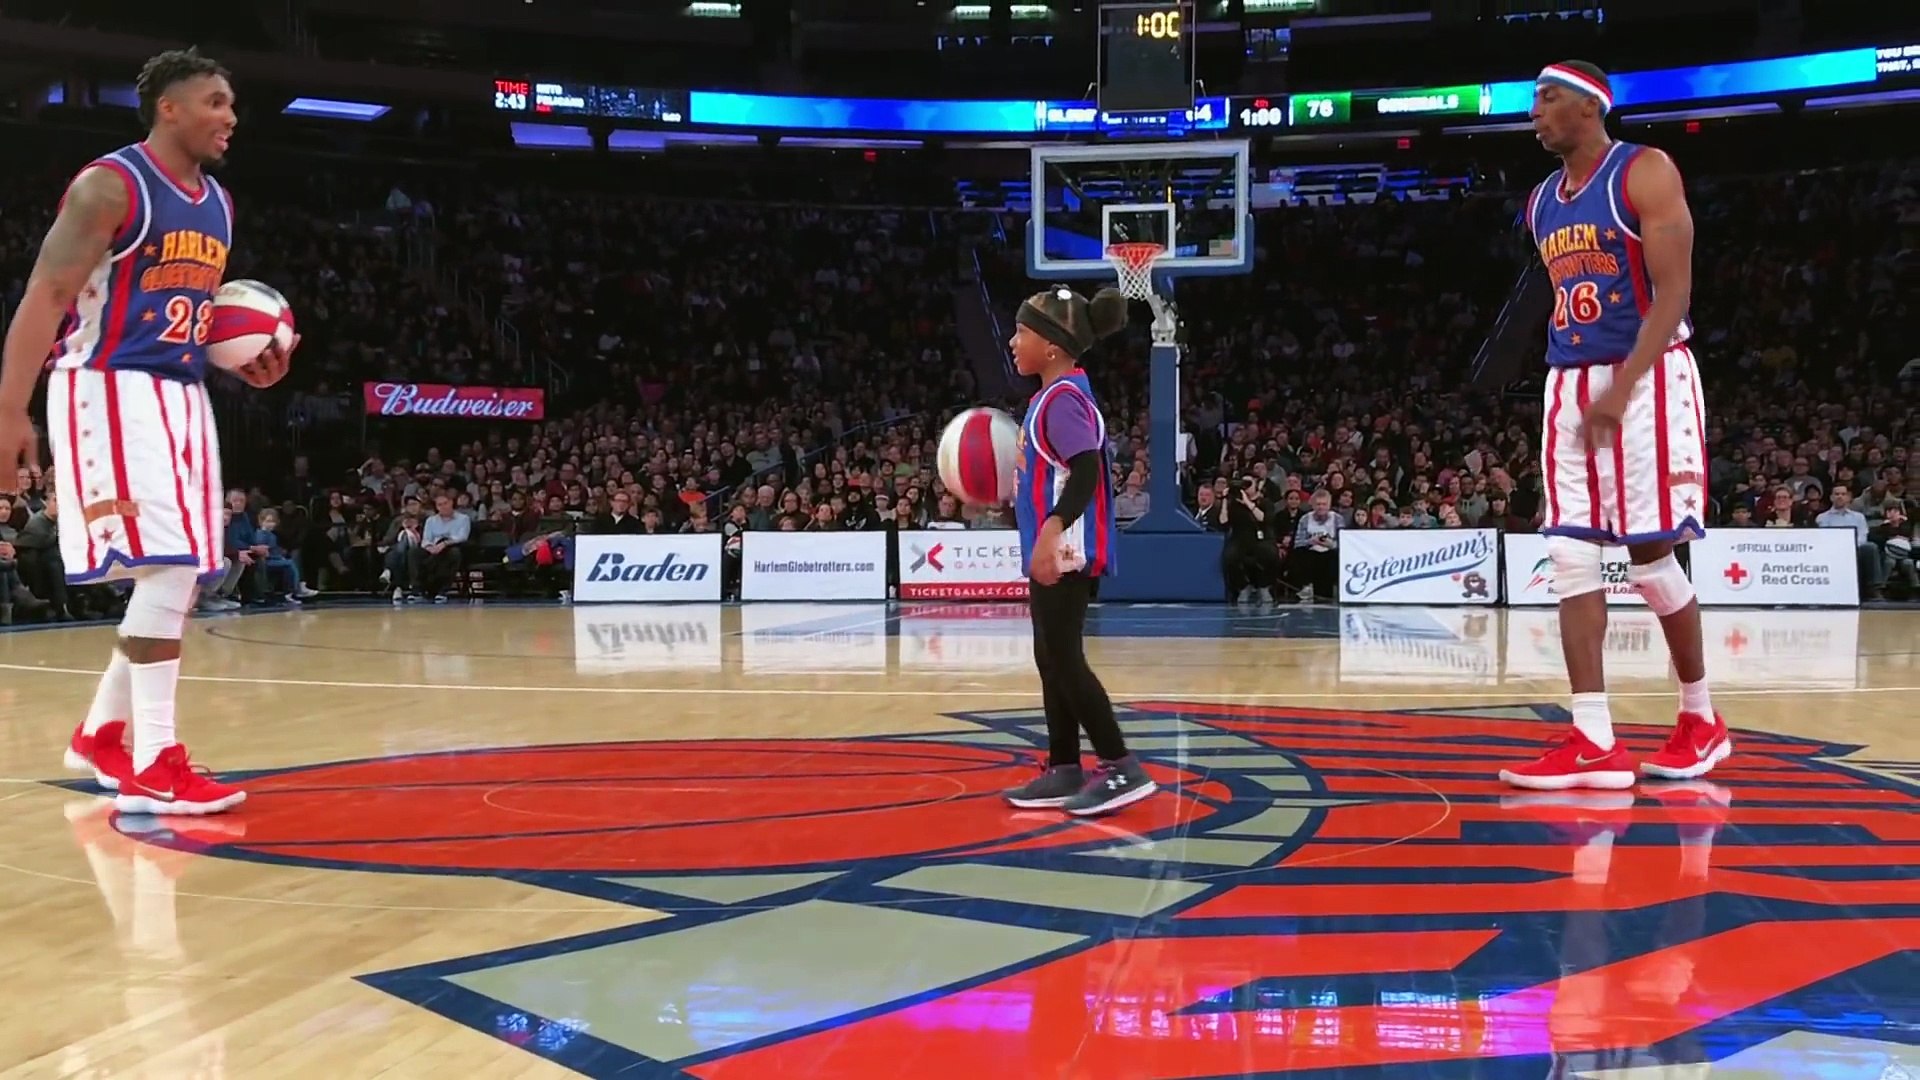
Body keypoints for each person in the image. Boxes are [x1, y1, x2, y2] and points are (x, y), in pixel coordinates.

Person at [0, 49, 295, 815]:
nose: (230, 117)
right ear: (170, 107)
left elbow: (181, 320)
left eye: (232, 104)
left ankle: (103, 735)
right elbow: (48, 292)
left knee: (189, 571)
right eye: (216, 102)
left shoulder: (220, 205)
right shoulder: (111, 185)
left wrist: (238, 362)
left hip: (182, 393)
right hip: (106, 387)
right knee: (165, 571)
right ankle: (156, 759)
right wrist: (8, 409)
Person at [1502, 60, 1728, 790]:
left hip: (1648, 374)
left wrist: (1621, 388)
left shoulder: (1645, 172)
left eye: (1548, 98)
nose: (1535, 110)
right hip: (1569, 380)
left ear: (1589, 107)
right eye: (1535, 99)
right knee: (1569, 552)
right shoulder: (1540, 203)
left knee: (1651, 557)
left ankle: (1701, 718)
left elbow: (1674, 292)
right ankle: (1594, 737)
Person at [999, 285, 1154, 817]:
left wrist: (1051, 529)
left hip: (1066, 550)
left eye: (1021, 332)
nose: (1012, 341)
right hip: (1054, 546)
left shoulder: (1064, 398)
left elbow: (1086, 469)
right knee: (1051, 658)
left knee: (1064, 658)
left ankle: (1120, 767)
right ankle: (1064, 765)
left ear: (1053, 345)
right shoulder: (1051, 396)